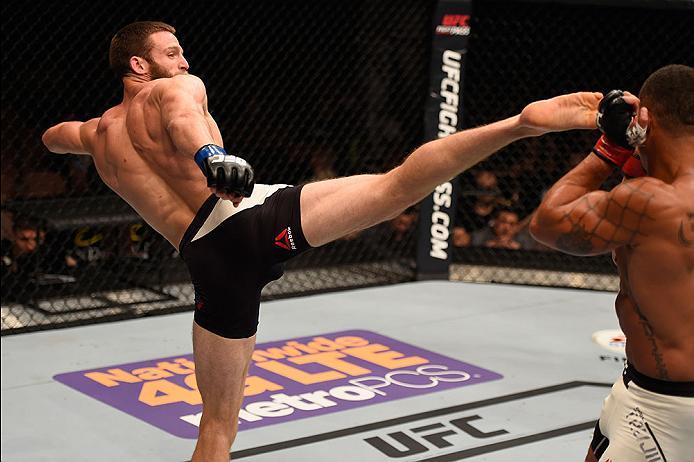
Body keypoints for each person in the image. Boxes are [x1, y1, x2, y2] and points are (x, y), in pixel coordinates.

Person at [41, 21, 602, 461]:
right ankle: (520, 125)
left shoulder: (97, 134)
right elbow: (186, 117)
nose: (184, 61)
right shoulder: (175, 90)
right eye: (172, 52)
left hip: (208, 262)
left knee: (217, 427)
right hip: (241, 222)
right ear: (140, 64)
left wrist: (82, 138)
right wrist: (211, 156)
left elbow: (53, 138)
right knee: (396, 187)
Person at [529, 64, 694, 461]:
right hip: (643, 387)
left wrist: (612, 147)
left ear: (646, 118)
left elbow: (547, 222)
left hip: (668, 407)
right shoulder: (657, 195)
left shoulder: (650, 203)